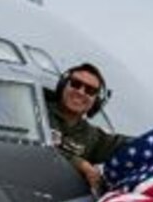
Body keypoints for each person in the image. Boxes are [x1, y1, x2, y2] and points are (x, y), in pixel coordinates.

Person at [49, 62, 132, 194]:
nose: (80, 92)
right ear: (63, 85)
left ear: (97, 101)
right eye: (76, 84)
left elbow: (128, 145)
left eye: (90, 90)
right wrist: (80, 164)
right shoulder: (33, 108)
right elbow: (27, 145)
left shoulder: (92, 136)